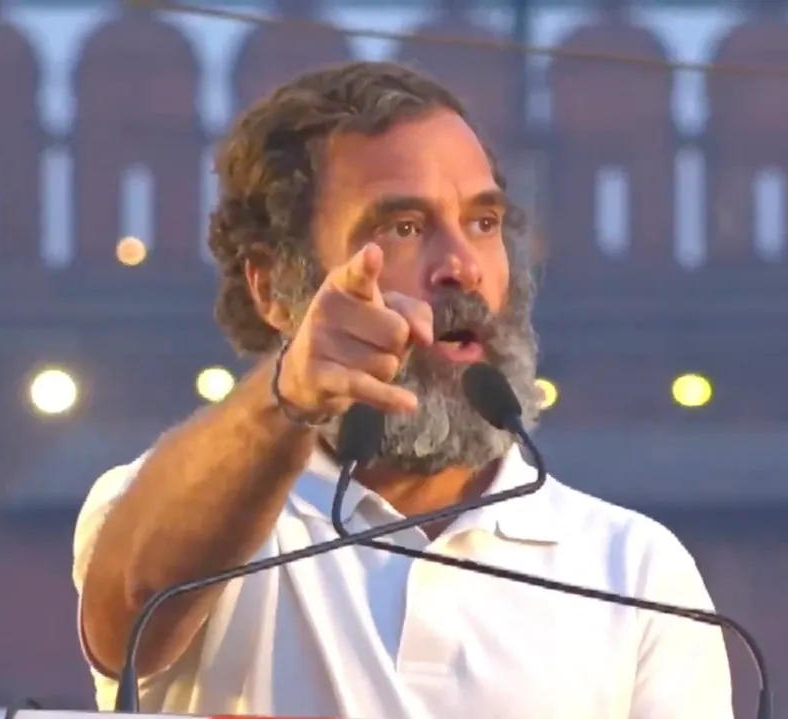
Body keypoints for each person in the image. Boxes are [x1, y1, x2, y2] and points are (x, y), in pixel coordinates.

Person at [73, 61, 733, 718]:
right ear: (273, 287)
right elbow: (135, 602)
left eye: (482, 222)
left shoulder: (633, 570)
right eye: (404, 228)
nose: (462, 268)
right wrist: (287, 397)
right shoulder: (180, 517)